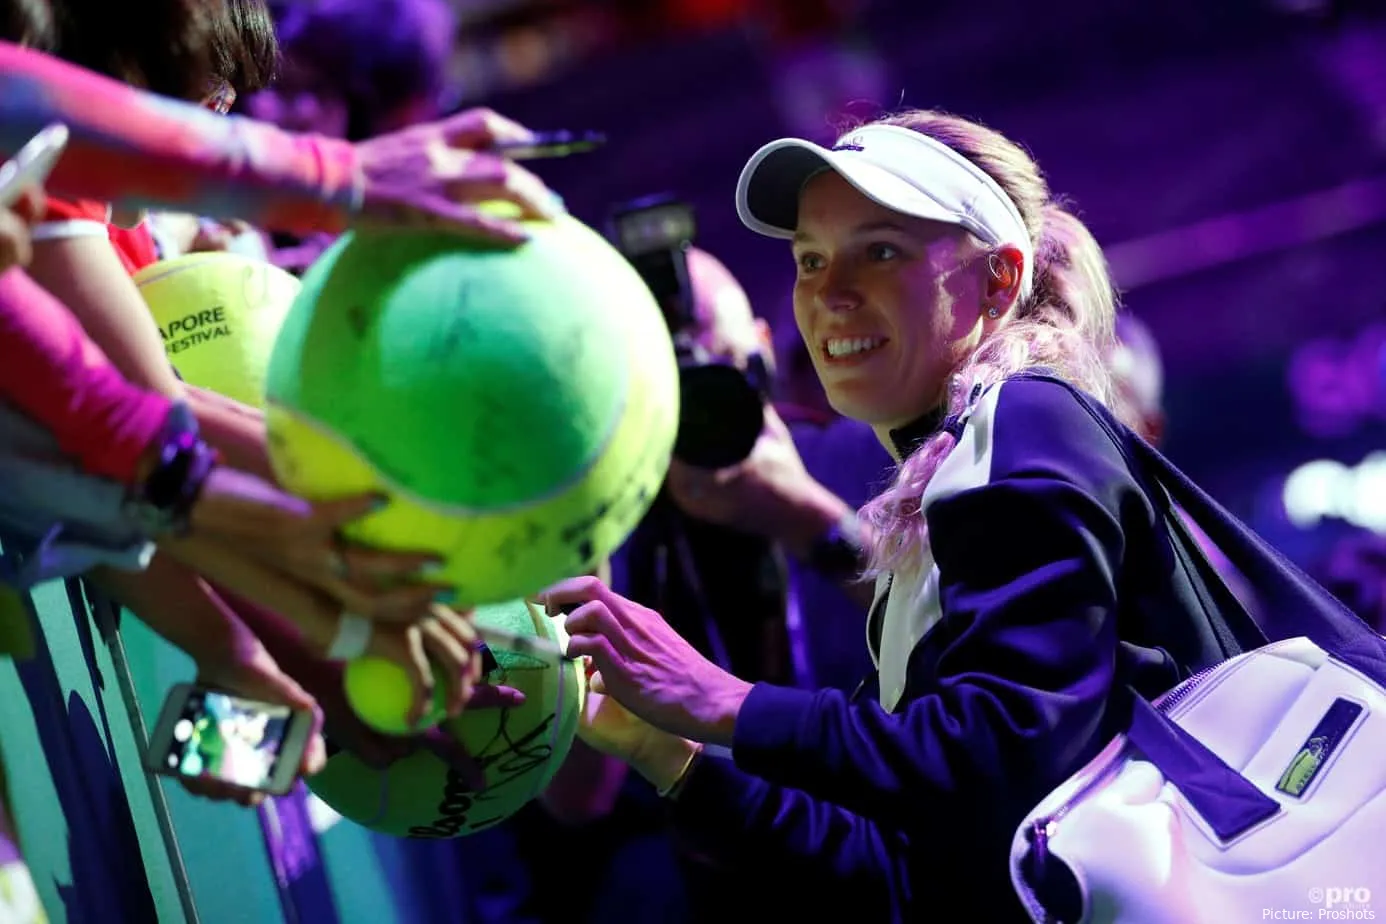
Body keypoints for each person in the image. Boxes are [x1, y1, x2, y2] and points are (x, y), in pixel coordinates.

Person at [545, 109, 1241, 920]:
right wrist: (668, 752)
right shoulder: (949, 476)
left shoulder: (1026, 420)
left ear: (998, 281)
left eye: (880, 251)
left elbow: (1001, 752)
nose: (829, 295)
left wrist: (724, 700)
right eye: (810, 259)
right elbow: (912, 874)